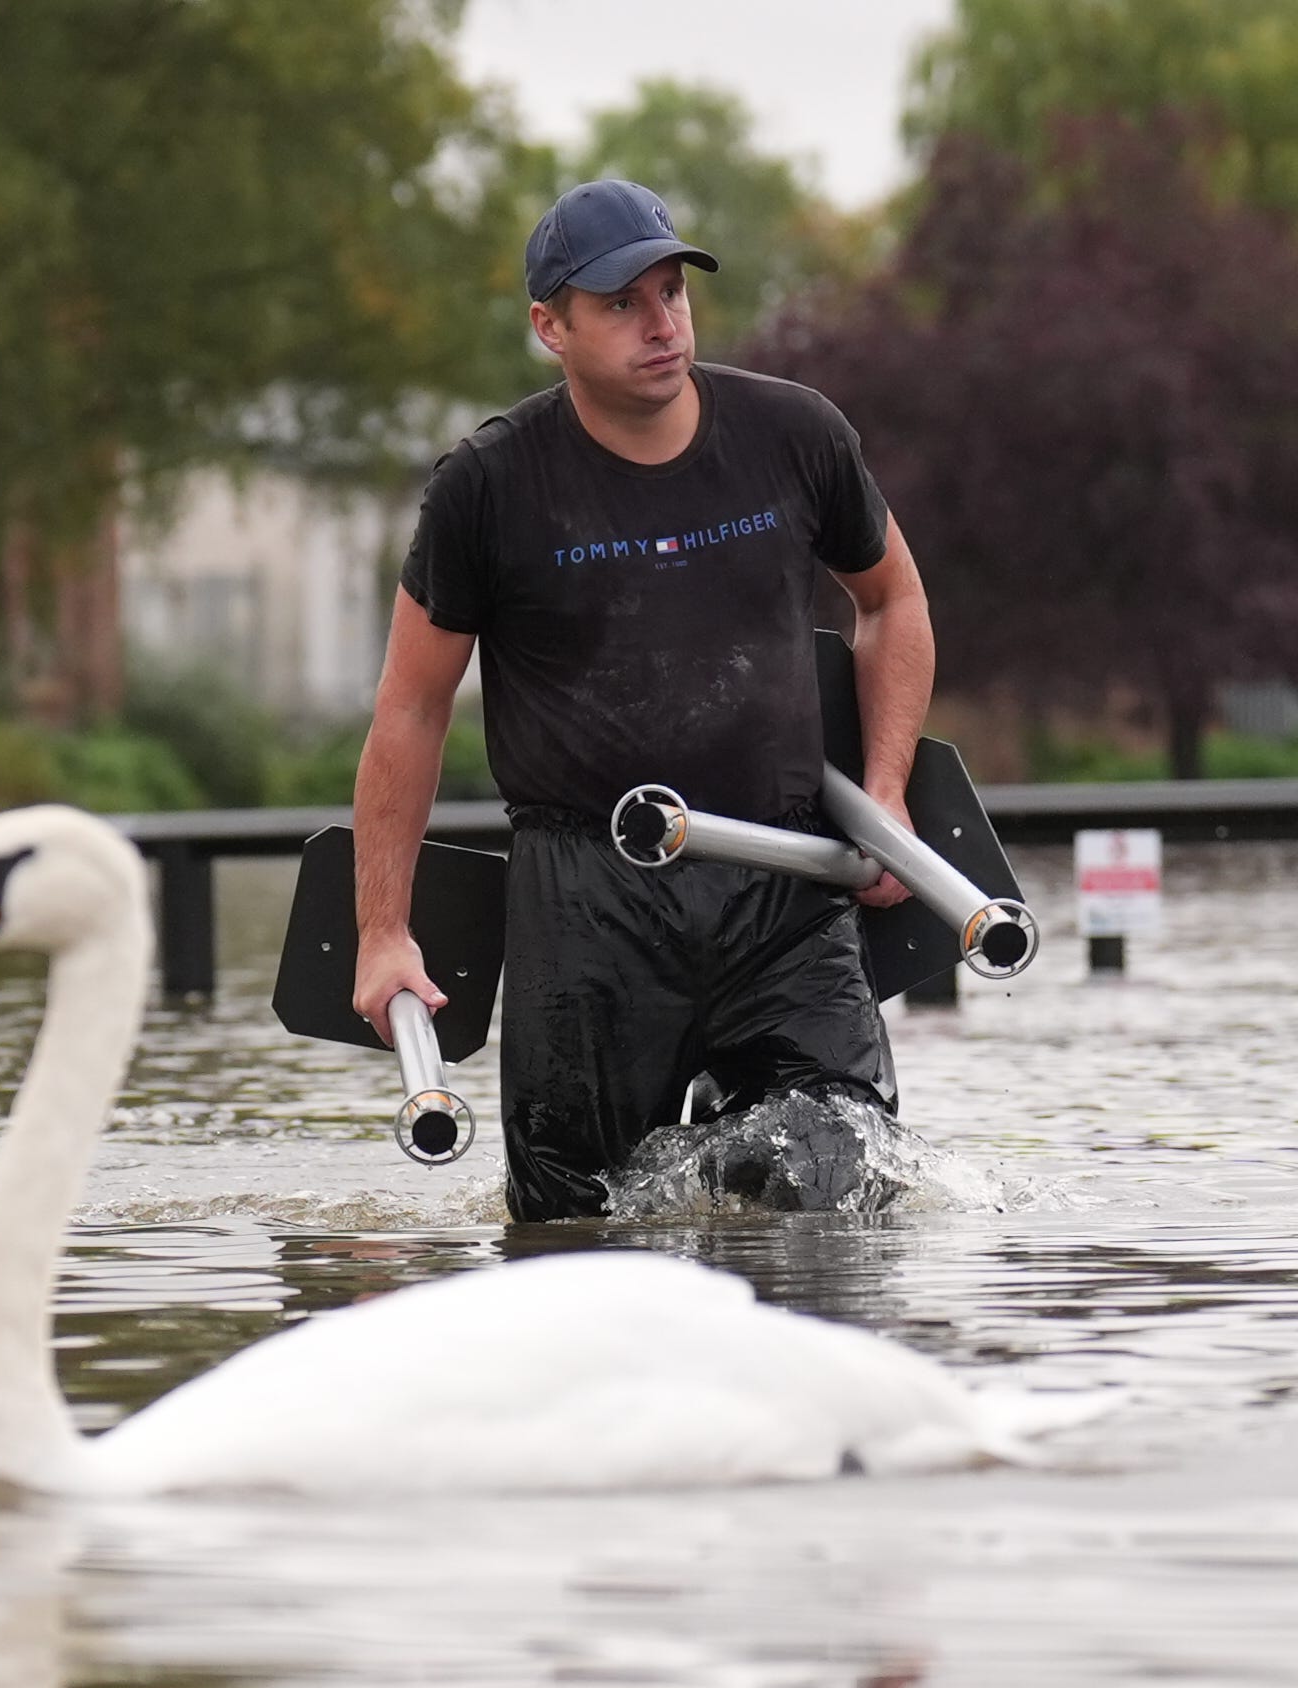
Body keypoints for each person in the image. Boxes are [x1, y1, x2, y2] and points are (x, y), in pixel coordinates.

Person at [351, 177, 939, 1221]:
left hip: (784, 881)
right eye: (622, 303)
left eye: (672, 291)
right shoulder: (487, 486)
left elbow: (890, 599)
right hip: (586, 904)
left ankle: (741, 1226)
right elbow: (411, 709)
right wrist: (382, 931)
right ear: (551, 326)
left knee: (841, 1181)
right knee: (575, 1229)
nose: (661, 323)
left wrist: (885, 792)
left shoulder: (796, 436)